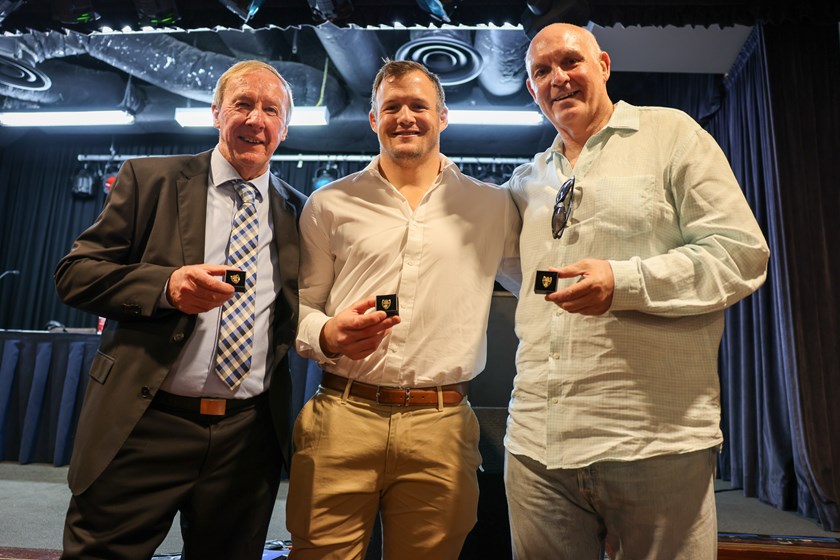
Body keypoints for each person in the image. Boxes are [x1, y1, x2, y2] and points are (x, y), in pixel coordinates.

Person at [503, 23, 770, 559]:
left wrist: (623, 281)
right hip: (537, 444)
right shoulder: (526, 180)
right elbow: (520, 280)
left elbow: (740, 254)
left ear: (602, 65)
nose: (557, 78)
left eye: (569, 62)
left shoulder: (671, 134)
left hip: (653, 442)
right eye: (541, 71)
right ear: (532, 88)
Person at [54, 60, 306, 560]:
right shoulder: (150, 181)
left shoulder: (301, 211)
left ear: (284, 126)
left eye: (270, 109)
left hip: (247, 438)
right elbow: (75, 274)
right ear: (216, 113)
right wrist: (165, 287)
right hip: (146, 422)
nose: (256, 119)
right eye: (243, 104)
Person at [288, 59, 520, 560]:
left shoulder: (492, 206)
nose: (405, 116)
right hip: (342, 414)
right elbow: (301, 308)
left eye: (419, 106)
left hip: (441, 423)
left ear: (442, 117)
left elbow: (539, 285)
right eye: (391, 106)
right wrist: (327, 334)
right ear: (374, 119)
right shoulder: (328, 204)